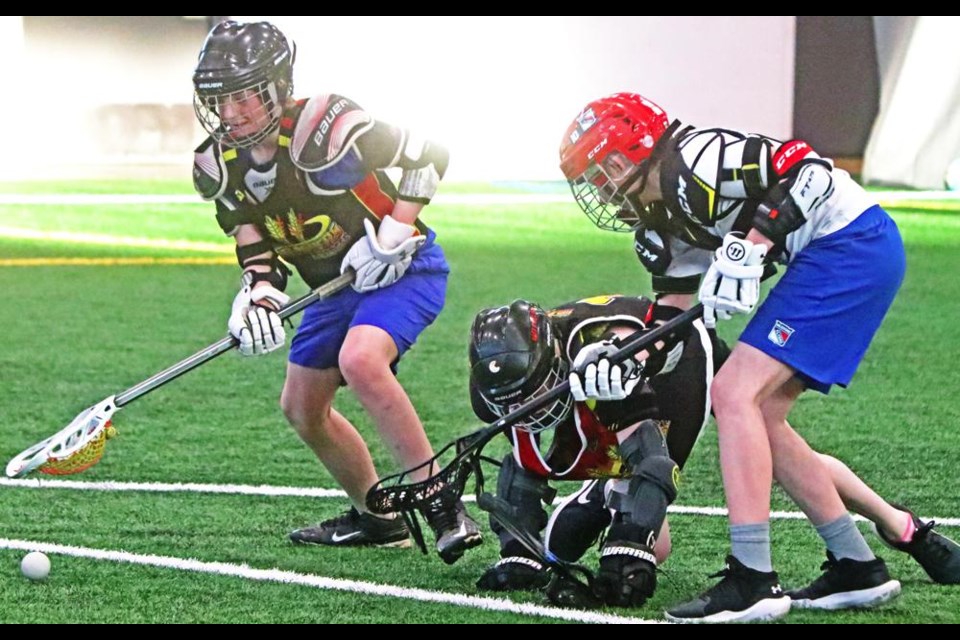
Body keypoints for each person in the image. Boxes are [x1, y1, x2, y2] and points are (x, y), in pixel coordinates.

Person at [558, 92, 960, 621]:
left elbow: (809, 168)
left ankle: (753, 577)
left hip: (849, 243)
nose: (600, 190)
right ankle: (855, 562)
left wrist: (753, 241)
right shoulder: (660, 222)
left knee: (732, 393)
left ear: (629, 152)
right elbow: (670, 319)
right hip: (834, 254)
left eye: (600, 172)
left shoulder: (698, 156)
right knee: (762, 416)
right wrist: (627, 359)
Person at [190, 20, 482, 564]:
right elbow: (258, 251)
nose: (229, 113)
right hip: (332, 289)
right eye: (218, 100)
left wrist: (393, 231)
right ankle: (378, 517)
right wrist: (257, 295)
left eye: (242, 96)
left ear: (276, 86)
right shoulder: (219, 168)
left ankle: (440, 499)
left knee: (361, 360)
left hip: (405, 270)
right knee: (301, 406)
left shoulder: (325, 126)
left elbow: (430, 153)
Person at [469, 294, 722, 607]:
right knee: (559, 543)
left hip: (667, 368)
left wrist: (632, 543)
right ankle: (597, 496)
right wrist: (520, 551)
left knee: (643, 556)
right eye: (510, 400)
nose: (523, 409)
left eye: (531, 391)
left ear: (556, 359)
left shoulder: (602, 357)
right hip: (593, 381)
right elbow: (525, 461)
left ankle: (610, 492)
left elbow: (651, 459)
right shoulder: (495, 387)